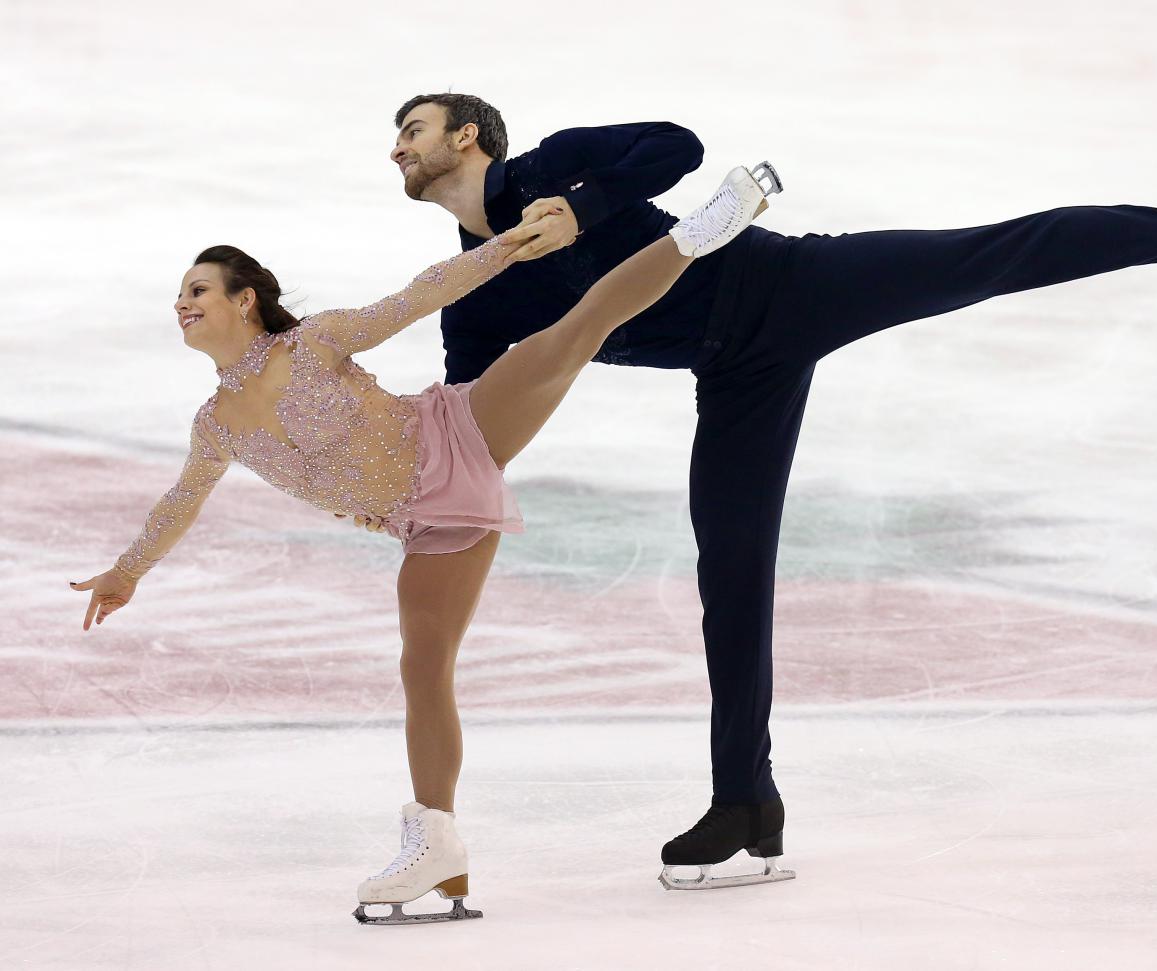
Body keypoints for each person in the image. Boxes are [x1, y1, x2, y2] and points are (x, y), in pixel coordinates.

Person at [381, 92, 1157, 892]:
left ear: (469, 137)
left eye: (414, 129)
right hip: (735, 379)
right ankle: (745, 802)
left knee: (999, 252)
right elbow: (477, 418)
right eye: (398, 138)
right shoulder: (474, 293)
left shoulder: (553, 164)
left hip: (792, 281)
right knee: (733, 577)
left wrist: (583, 206)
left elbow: (677, 147)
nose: (400, 148)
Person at [68, 163, 780, 924]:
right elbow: (182, 499)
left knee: (572, 333)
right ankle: (435, 841)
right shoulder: (217, 424)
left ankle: (701, 232)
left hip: (455, 430)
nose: (183, 301)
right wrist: (126, 570)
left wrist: (504, 246)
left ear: (244, 301)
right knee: (423, 663)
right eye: (181, 291)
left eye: (199, 288)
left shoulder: (312, 344)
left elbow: (419, 294)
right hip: (426, 520)